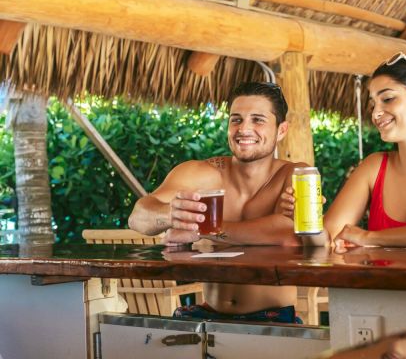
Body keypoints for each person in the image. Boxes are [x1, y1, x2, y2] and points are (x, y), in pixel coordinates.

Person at [128, 81, 305, 323]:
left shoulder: (297, 174)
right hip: (206, 313)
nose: (244, 128)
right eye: (236, 119)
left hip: (271, 318)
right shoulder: (204, 172)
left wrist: (202, 228)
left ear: (281, 130)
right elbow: (138, 217)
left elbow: (288, 235)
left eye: (258, 120)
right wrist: (171, 215)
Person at [282, 52, 406, 248]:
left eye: (387, 99)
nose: (376, 113)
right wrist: (306, 220)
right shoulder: (374, 166)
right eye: (373, 104)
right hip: (384, 284)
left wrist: (369, 237)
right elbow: (328, 239)